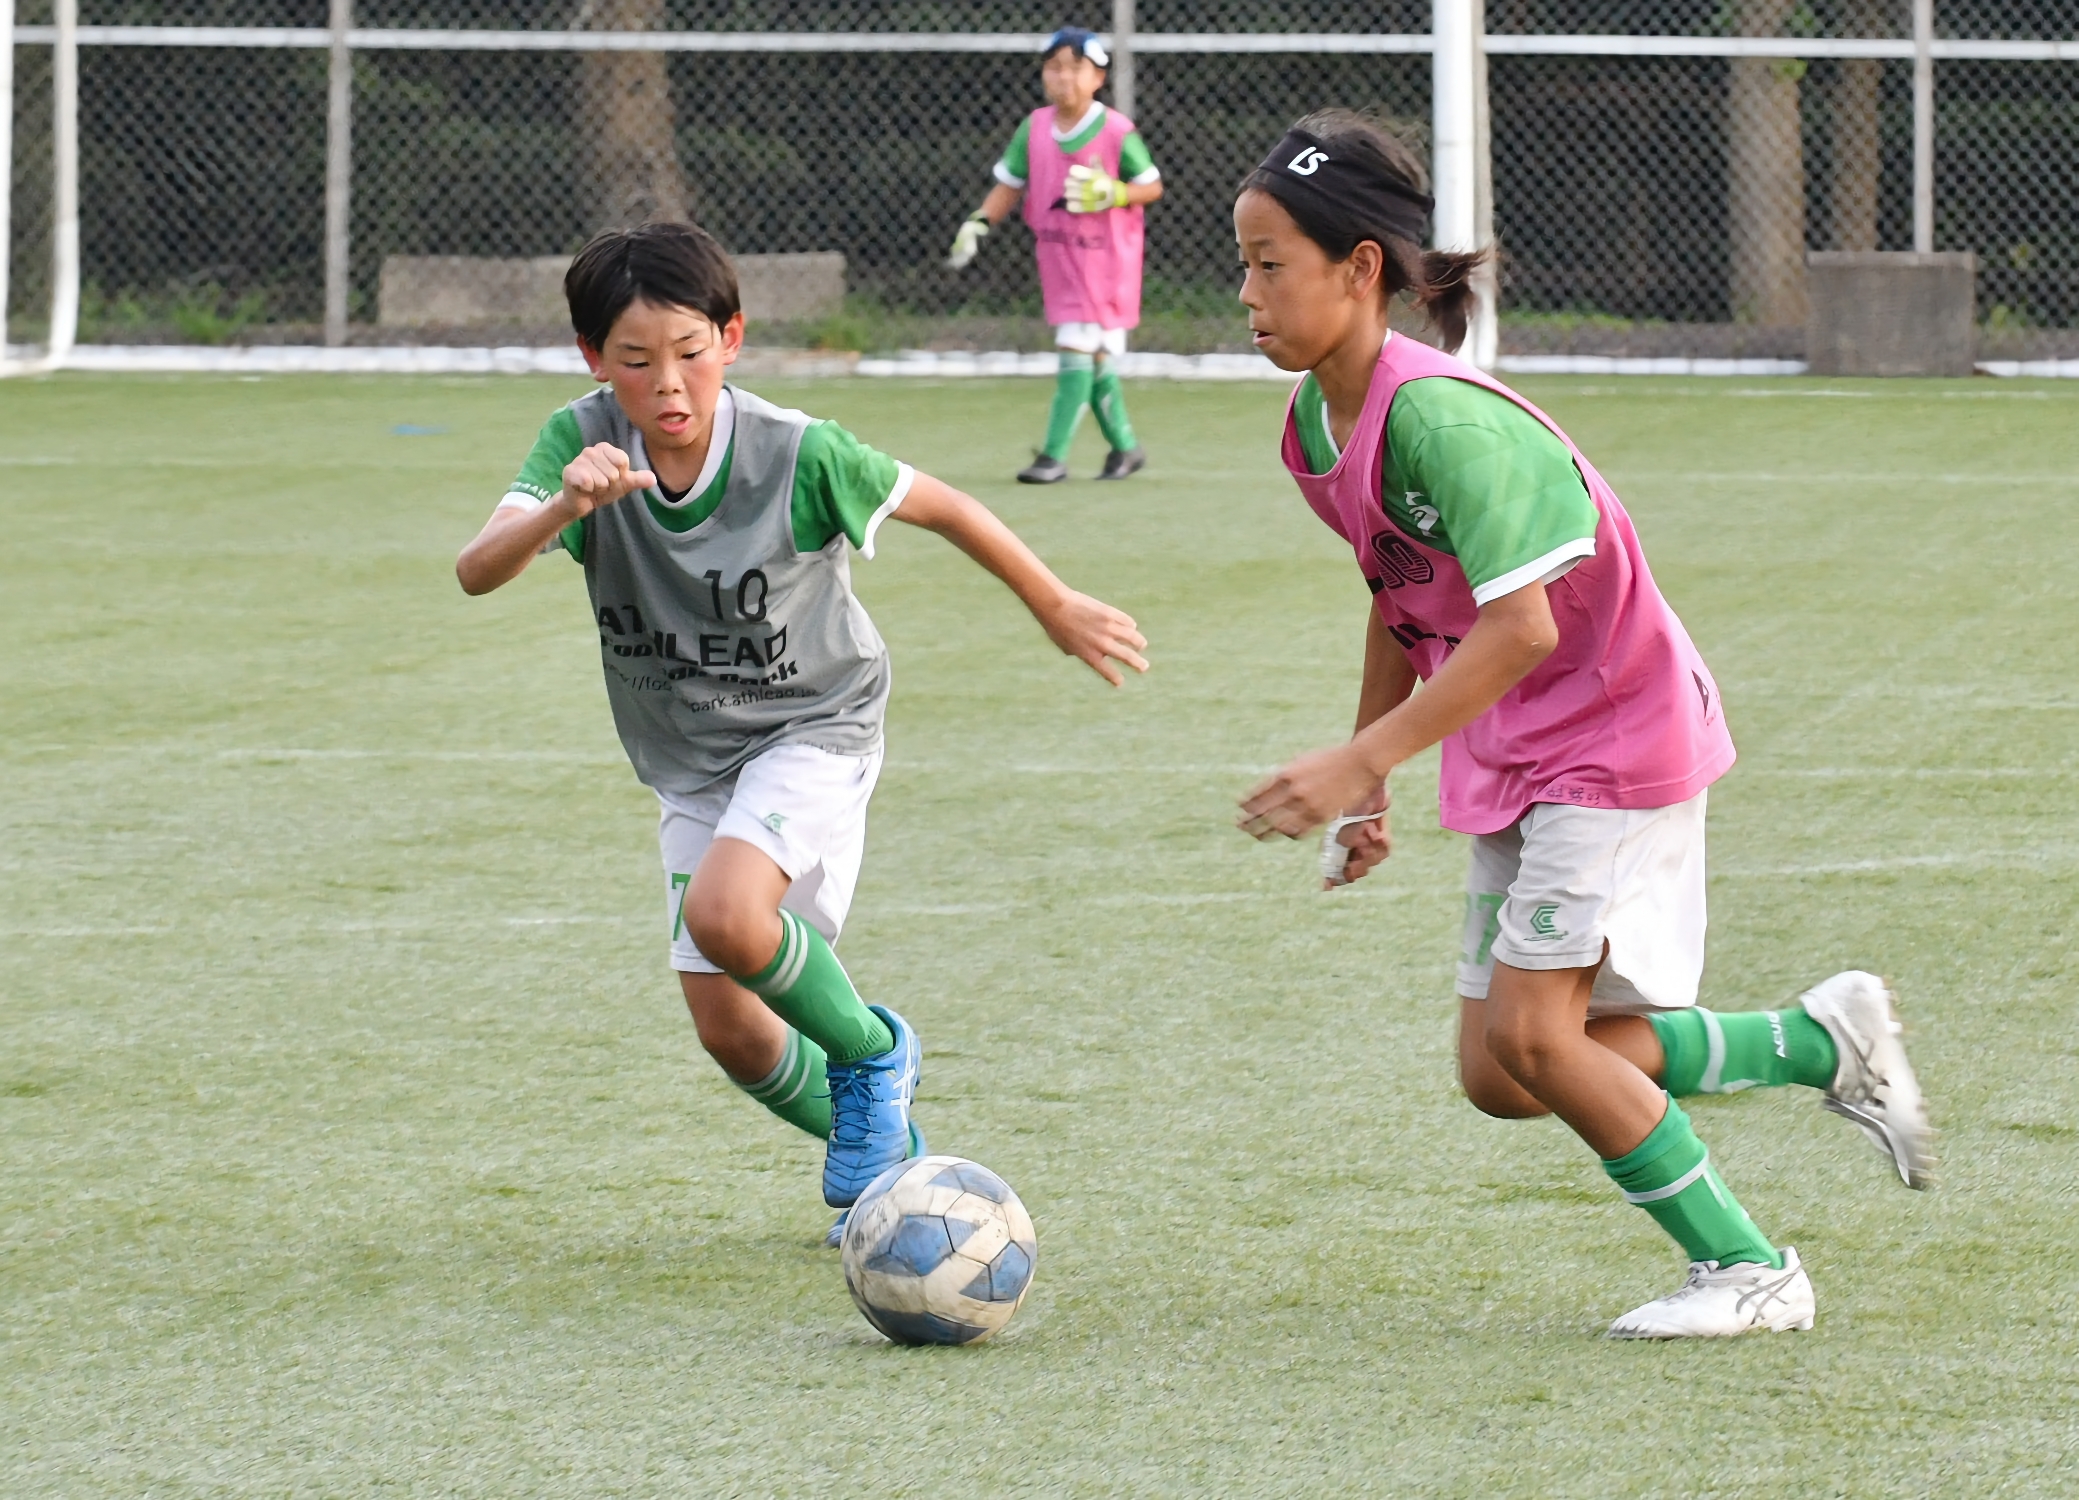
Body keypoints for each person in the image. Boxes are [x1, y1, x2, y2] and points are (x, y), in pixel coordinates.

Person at [1231, 111, 1932, 1338]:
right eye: (1242, 262)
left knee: (1538, 1038)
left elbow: (1523, 630)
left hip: (1611, 735)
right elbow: (1403, 596)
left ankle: (1750, 1270)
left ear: (1360, 268)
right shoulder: (1315, 425)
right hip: (1522, 747)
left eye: (1270, 263)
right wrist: (1371, 781)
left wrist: (1363, 757)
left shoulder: (1443, 419)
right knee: (1500, 1073)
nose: (1246, 293)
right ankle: (1817, 1043)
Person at [456, 221, 1148, 1245]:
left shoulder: (797, 452)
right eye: (636, 360)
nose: (668, 384)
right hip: (690, 760)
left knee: (729, 916)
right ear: (594, 358)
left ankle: (872, 1054)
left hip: (813, 725)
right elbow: (476, 568)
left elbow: (947, 506)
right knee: (731, 1032)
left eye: (690, 352)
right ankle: (894, 1167)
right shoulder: (582, 442)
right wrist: (562, 505)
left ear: (731, 338)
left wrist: (1052, 602)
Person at [946, 25, 1162, 484]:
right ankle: (1126, 448)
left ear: (1098, 77)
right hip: (1059, 263)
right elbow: (1010, 184)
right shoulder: (1035, 127)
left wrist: (1116, 192)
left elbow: (1151, 185)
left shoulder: (1116, 130)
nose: (1063, 77)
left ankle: (1052, 457)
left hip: (1105, 265)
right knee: (1094, 359)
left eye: (1075, 68)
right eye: (1054, 67)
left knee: (1075, 349)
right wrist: (979, 222)